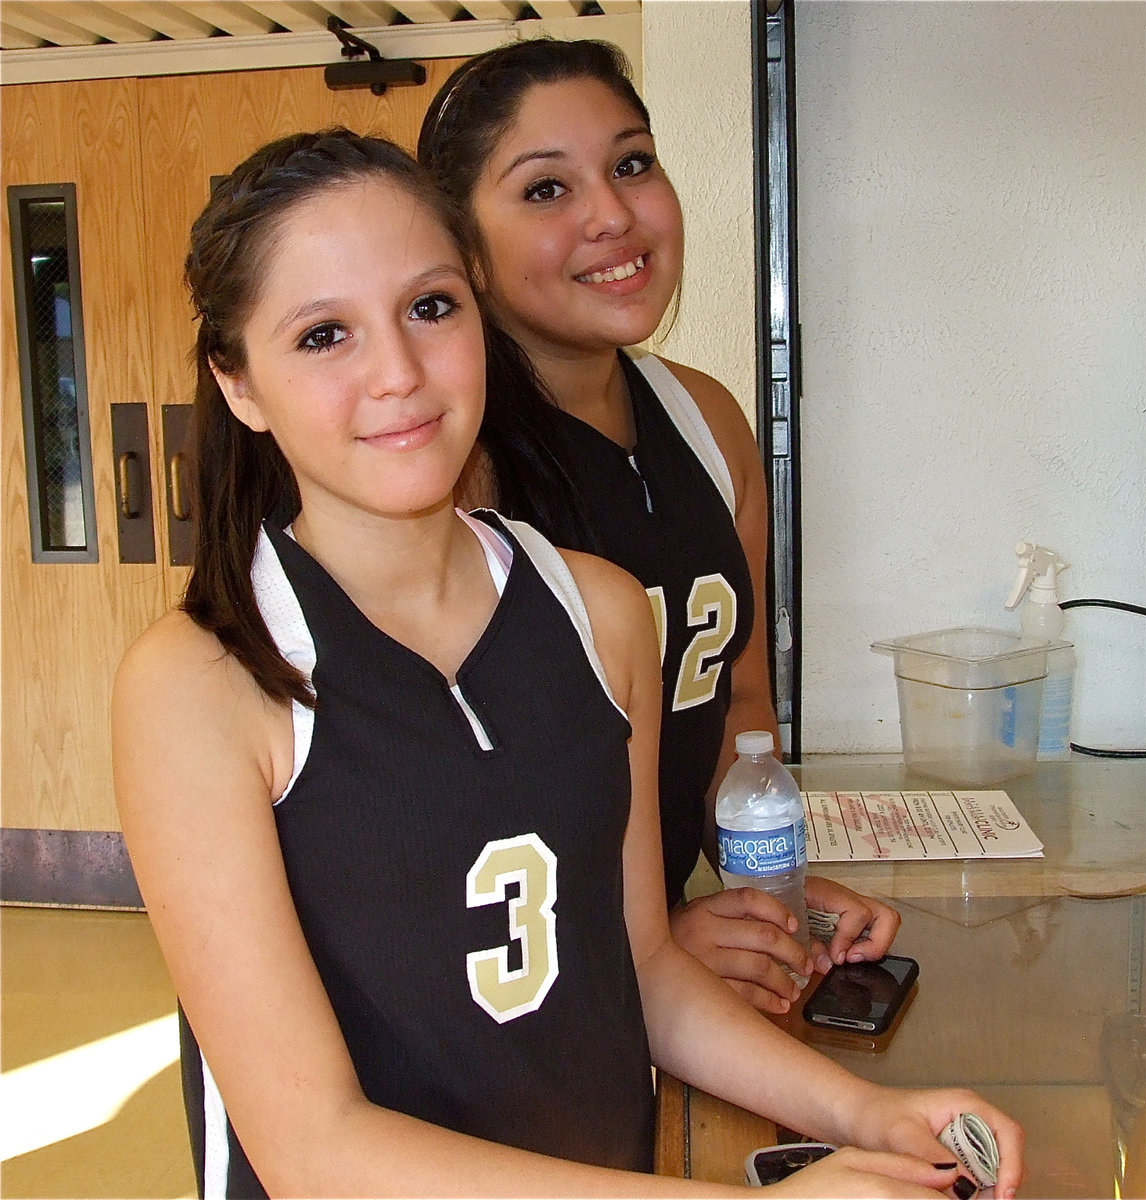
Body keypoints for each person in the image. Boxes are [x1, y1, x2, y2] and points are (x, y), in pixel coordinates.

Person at [113, 128, 1023, 1199]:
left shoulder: (597, 613)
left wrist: (867, 1111)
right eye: (323, 336)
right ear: (239, 384)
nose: (398, 374)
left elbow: (641, 969)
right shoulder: (203, 686)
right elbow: (315, 1150)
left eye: (430, 307)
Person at [418, 37, 900, 1015]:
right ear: (462, 247)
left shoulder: (707, 423)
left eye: (631, 163)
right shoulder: (447, 469)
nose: (611, 214)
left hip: (647, 980)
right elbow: (435, 818)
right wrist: (642, 938)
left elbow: (738, 704)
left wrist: (769, 894)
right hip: (505, 995)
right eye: (545, 190)